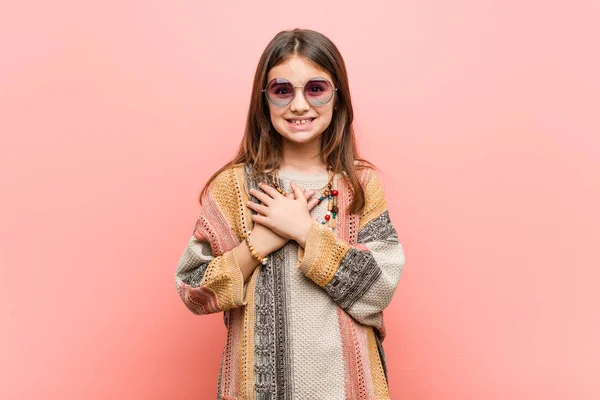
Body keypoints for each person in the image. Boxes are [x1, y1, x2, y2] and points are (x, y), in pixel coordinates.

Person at [174, 28, 405, 400]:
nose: (299, 105)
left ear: (337, 96)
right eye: (283, 90)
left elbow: (378, 289)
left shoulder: (360, 185)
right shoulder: (236, 187)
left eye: (316, 88)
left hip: (347, 388)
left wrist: (304, 231)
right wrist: (258, 244)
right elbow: (194, 289)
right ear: (264, 101)